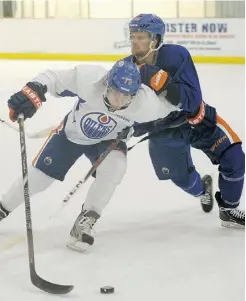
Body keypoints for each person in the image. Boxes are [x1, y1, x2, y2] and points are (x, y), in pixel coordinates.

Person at [0, 60, 179, 252]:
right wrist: (32, 91)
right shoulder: (89, 79)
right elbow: (52, 77)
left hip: (108, 141)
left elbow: (179, 107)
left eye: (126, 98)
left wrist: (180, 96)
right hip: (70, 136)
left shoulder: (146, 104)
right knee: (39, 179)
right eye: (114, 93)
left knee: (115, 168)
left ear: (135, 94)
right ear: (106, 85)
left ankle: (86, 221)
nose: (118, 102)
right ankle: (3, 208)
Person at [124, 13, 245, 228]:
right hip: (163, 134)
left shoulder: (176, 56)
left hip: (198, 121)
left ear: (156, 40)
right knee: (184, 180)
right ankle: (202, 190)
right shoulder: (124, 69)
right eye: (133, 36)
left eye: (141, 37)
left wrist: (163, 83)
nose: (135, 41)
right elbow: (118, 108)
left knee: (234, 157)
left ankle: (228, 209)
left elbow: (192, 100)